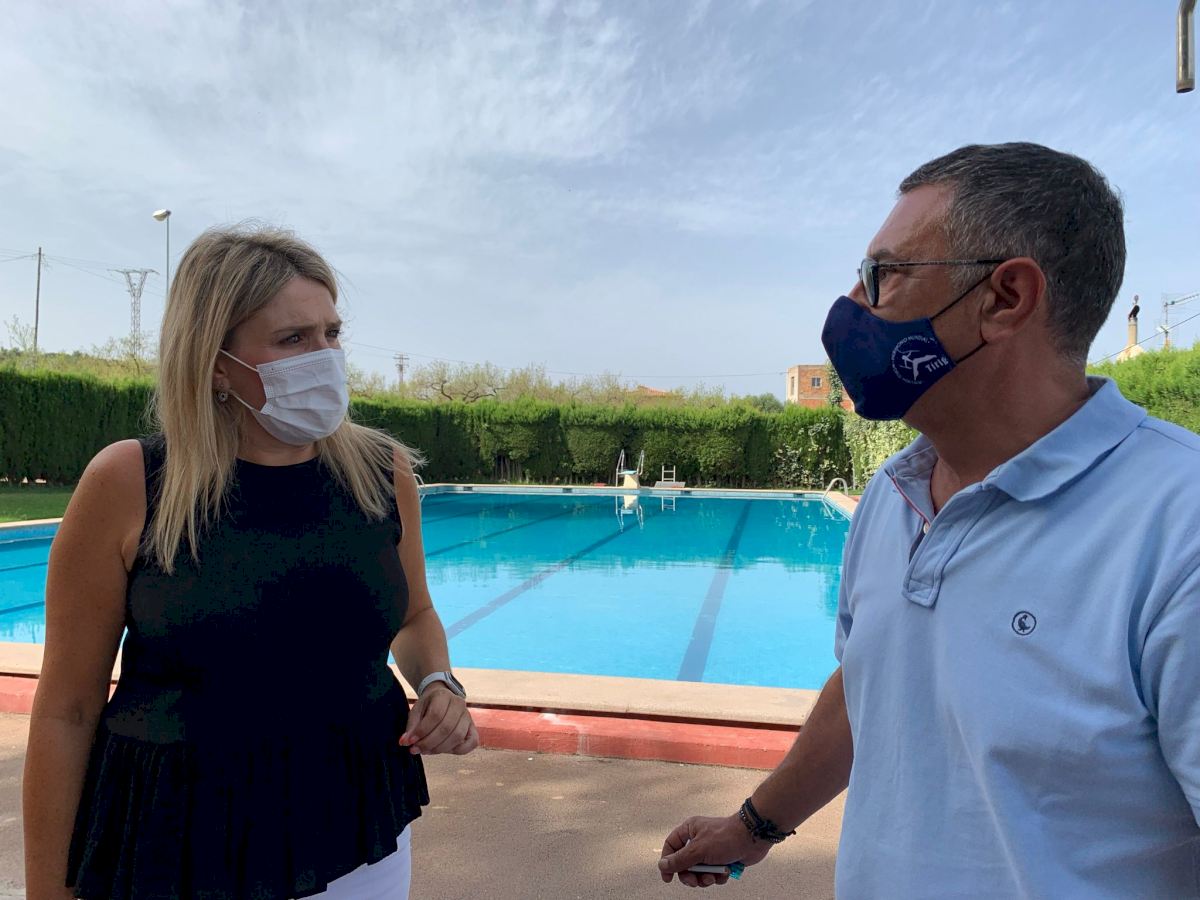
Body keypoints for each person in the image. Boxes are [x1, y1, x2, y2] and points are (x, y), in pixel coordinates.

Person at [658, 142, 1200, 897]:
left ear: (1005, 297)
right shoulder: (893, 493)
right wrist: (754, 826)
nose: (852, 304)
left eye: (883, 274)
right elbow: (870, 683)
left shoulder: (1177, 530)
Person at [24, 226, 478, 900]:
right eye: (293, 339)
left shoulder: (379, 473)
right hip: (179, 841)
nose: (324, 357)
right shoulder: (132, 482)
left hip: (357, 829)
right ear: (216, 363)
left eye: (331, 333)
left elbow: (414, 614)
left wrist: (439, 682)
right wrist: (46, 890)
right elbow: (68, 707)